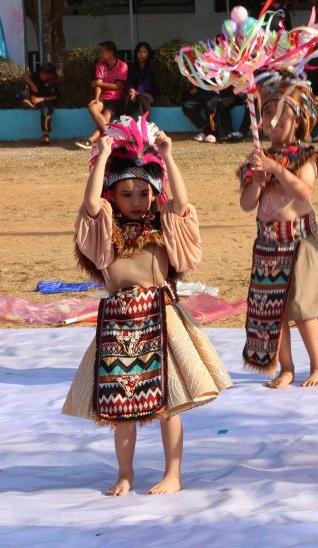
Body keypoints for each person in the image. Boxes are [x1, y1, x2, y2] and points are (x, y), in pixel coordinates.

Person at [62, 115, 232, 495]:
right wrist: (103, 155)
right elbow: (90, 205)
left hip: (160, 319)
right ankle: (125, 474)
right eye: (127, 194)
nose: (137, 201)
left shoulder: (163, 225)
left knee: (170, 402)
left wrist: (168, 156)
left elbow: (182, 205)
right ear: (113, 195)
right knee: (121, 408)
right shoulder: (105, 230)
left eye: (144, 193)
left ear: (155, 194)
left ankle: (173, 473)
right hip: (119, 328)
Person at [239, 77, 318, 388]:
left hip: (299, 240)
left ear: (298, 119)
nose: (274, 119)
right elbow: (247, 204)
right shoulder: (257, 159)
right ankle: (286, 367)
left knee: (302, 308)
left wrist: (277, 169)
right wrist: (257, 182)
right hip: (268, 243)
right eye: (268, 112)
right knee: (273, 312)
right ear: (260, 122)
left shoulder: (305, 155)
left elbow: (303, 191)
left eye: (283, 112)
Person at [76, 41, 128, 150]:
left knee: (105, 119)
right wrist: (96, 98)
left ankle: (89, 140)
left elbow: (117, 86)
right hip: (103, 98)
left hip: (115, 100)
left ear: (110, 52)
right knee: (92, 107)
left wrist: (98, 83)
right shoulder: (100, 65)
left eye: (102, 51)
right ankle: (115, 136)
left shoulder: (122, 66)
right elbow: (98, 84)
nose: (100, 53)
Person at [20, 62, 60, 145]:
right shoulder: (38, 74)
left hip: (47, 100)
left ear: (50, 75)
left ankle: (45, 136)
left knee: (46, 109)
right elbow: (24, 75)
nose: (41, 76)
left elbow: (56, 97)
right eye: (41, 73)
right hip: (35, 97)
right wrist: (32, 85)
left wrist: (41, 99)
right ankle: (25, 100)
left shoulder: (55, 81)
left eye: (43, 75)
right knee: (25, 84)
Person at [123, 41, 159, 118]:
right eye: (139, 52)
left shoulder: (151, 67)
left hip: (149, 93)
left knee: (143, 97)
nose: (142, 55)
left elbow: (146, 83)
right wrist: (131, 90)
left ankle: (144, 122)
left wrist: (137, 92)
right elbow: (129, 81)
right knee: (127, 98)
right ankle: (127, 121)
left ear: (148, 53)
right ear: (136, 54)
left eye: (144, 52)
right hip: (135, 94)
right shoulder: (133, 67)